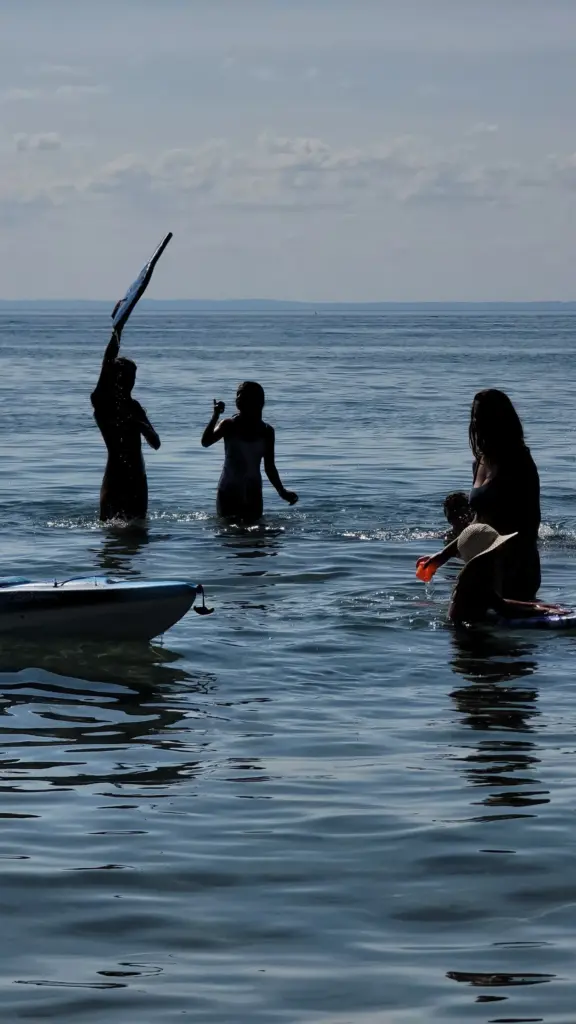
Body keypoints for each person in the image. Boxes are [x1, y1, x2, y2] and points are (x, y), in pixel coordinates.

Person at [420, 390, 541, 599]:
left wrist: (505, 562)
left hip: (515, 566)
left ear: (500, 419)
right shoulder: (479, 463)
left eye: (483, 416)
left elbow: (531, 522)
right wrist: (443, 556)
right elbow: (477, 522)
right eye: (474, 416)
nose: (476, 422)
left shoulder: (519, 462)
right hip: (484, 563)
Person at [201, 381, 298, 521]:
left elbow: (269, 467)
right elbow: (206, 442)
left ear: (259, 402)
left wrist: (281, 491)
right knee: (231, 536)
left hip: (253, 492)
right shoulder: (229, 425)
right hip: (229, 491)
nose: (239, 400)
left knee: (255, 538)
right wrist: (215, 416)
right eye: (238, 397)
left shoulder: (267, 431)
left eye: (244, 397)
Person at [91, 328, 160, 522]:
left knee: (137, 528)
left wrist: (141, 425)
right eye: (125, 377)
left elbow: (156, 443)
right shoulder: (103, 404)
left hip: (138, 475)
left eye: (133, 378)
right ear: (114, 378)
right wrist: (117, 332)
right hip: (115, 473)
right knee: (111, 525)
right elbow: (106, 362)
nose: (130, 382)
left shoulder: (135, 407)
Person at [448, 523, 565, 625]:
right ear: (487, 552)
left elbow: (497, 601)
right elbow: (504, 609)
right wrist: (544, 611)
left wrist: (538, 606)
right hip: (468, 636)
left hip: (465, 628)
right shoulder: (477, 578)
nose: (501, 547)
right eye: (497, 546)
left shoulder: (474, 571)